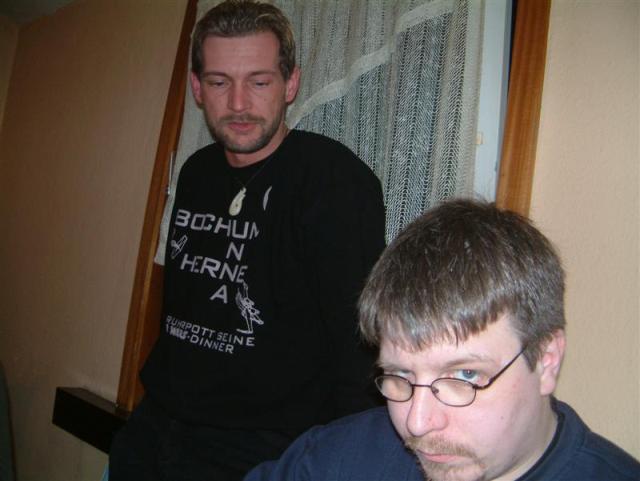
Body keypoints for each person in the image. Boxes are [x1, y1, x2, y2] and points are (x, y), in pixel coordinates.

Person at [109, 1, 385, 479]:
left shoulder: (333, 182)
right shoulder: (196, 173)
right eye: (220, 82)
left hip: (258, 453)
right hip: (153, 432)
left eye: (259, 82)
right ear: (198, 88)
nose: (238, 104)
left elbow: (359, 351)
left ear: (290, 84)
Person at [245, 199, 640, 481]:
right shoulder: (337, 458)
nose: (417, 424)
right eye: (400, 376)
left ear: (547, 360)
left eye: (464, 375)